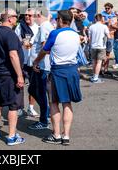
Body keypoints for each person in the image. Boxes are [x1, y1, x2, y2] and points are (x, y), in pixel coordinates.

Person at [33, 10, 82, 146]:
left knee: (54, 103)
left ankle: (56, 135)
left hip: (58, 71)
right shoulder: (76, 34)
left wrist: (36, 61)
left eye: (57, 19)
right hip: (72, 69)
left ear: (60, 20)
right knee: (67, 103)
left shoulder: (55, 33)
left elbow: (44, 50)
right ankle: (65, 136)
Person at [0, 9, 26, 146]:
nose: (17, 19)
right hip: (10, 75)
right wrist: (20, 76)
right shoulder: (10, 34)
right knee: (13, 106)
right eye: (16, 16)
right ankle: (11, 136)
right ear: (9, 18)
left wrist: (0, 52)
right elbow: (13, 55)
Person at [29, 7, 54, 130]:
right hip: (42, 65)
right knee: (33, 90)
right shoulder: (45, 26)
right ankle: (47, 113)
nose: (33, 19)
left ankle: (44, 119)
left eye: (34, 16)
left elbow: (45, 47)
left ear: (39, 15)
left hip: (43, 66)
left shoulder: (44, 26)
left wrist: (37, 61)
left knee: (40, 92)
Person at [15, 8, 40, 117]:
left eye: (29, 15)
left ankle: (30, 108)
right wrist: (22, 42)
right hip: (22, 60)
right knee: (19, 85)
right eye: (25, 15)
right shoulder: (19, 27)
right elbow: (14, 43)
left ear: (35, 16)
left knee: (33, 86)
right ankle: (19, 107)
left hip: (33, 61)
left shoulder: (38, 28)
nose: (27, 17)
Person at [88, 14, 110, 83]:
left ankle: (94, 76)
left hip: (93, 46)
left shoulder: (91, 27)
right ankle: (95, 78)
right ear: (101, 19)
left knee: (94, 62)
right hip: (101, 46)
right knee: (99, 62)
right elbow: (109, 36)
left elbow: (89, 38)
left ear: (95, 19)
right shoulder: (104, 26)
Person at [101, 3, 117, 76]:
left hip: (111, 36)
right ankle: (101, 69)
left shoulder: (114, 16)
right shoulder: (102, 15)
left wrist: (112, 25)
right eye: (106, 8)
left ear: (111, 8)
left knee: (108, 53)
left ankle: (106, 69)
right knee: (102, 52)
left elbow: (116, 26)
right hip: (103, 36)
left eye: (108, 8)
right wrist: (106, 22)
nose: (107, 10)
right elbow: (100, 23)